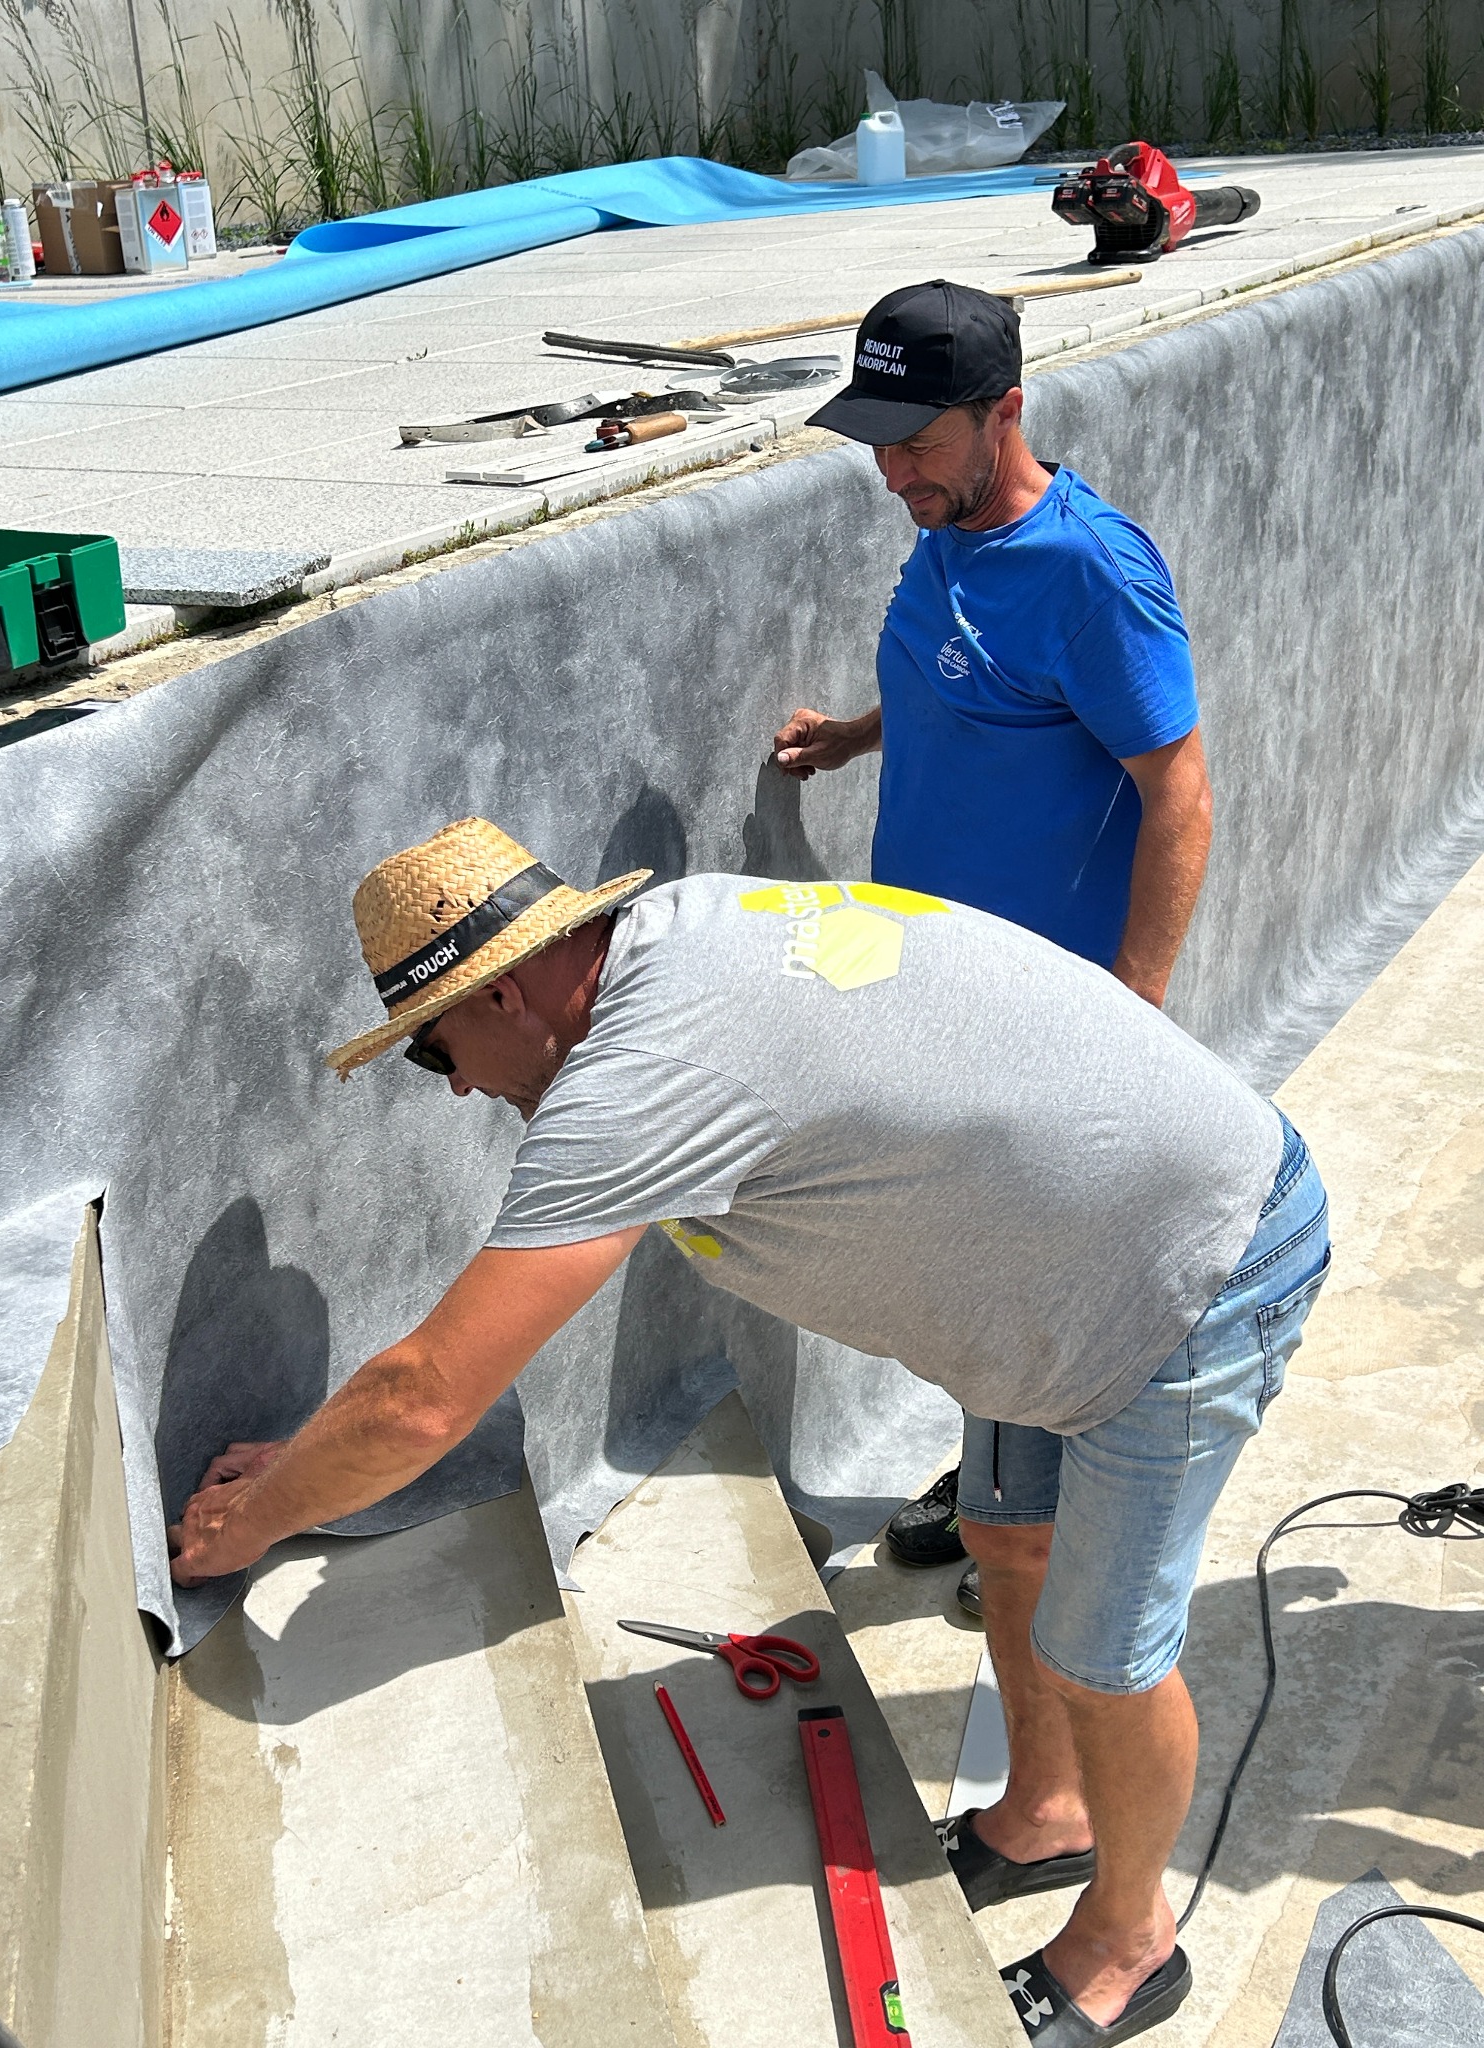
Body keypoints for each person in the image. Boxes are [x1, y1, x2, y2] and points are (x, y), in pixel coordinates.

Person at [170, 818, 1329, 2046]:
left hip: (1190, 1269)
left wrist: (252, 1518)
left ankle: (1129, 1942)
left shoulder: (641, 1071)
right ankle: (1042, 1816)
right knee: (1005, 1538)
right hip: (1070, 1264)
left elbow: (425, 1396)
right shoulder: (675, 935)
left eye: (434, 1048)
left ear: (502, 989)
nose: (454, 1083)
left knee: (1108, 1654)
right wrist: (306, 1465)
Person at [773, 280, 1214, 1597]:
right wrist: (855, 736)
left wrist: (1132, 1004)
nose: (890, 471)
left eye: (917, 441)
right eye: (875, 441)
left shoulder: (1089, 571)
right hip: (936, 989)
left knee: (1048, 1286)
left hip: (1050, 1013)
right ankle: (999, 1481)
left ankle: (1048, 1537)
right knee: (973, 1274)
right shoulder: (946, 530)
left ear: (1005, 411)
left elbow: (1179, 791)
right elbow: (962, 682)